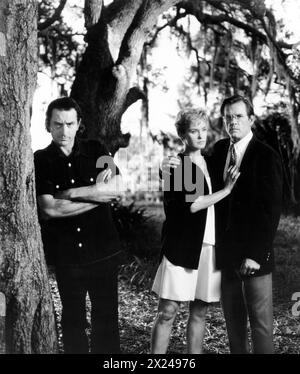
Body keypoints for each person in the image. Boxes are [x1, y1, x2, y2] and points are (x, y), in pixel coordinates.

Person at [34, 97, 123, 354]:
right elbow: (48, 207)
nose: (64, 131)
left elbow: (116, 188)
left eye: (70, 124)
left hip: (103, 251)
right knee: (73, 321)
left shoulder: (96, 150)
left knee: (106, 321)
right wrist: (96, 193)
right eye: (58, 124)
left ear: (79, 124)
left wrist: (69, 193)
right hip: (67, 256)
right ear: (48, 126)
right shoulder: (41, 160)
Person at [151, 109, 240, 354]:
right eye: (193, 130)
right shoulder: (176, 165)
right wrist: (226, 191)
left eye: (204, 129)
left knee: (200, 312)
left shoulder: (213, 161)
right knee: (168, 311)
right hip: (181, 245)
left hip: (210, 246)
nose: (201, 135)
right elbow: (194, 204)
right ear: (182, 135)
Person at [210, 94, 283, 354]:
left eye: (239, 116)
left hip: (254, 258)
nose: (233, 122)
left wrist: (255, 254)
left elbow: (270, 210)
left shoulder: (266, 156)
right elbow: (193, 169)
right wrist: (173, 165)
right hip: (226, 255)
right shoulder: (218, 151)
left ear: (251, 119)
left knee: (261, 327)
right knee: (234, 329)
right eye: (228, 117)